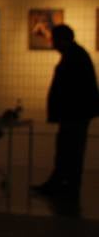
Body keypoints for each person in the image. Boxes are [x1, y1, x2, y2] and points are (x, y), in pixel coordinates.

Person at [33, 23, 99, 200]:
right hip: (76, 114)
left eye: (54, 39)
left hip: (74, 114)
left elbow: (71, 89)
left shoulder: (73, 57)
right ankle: (65, 184)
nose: (51, 43)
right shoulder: (76, 55)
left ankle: (64, 185)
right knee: (70, 150)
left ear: (61, 40)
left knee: (69, 150)